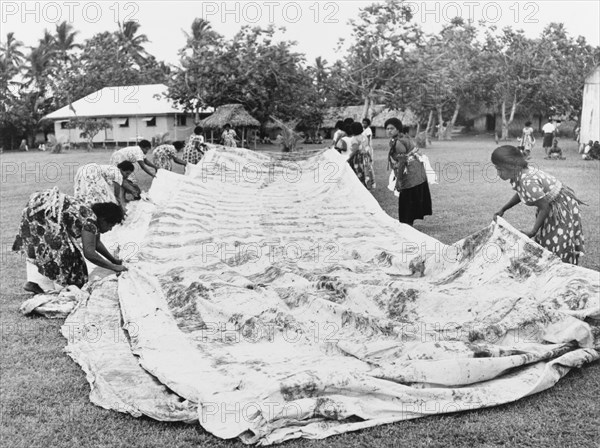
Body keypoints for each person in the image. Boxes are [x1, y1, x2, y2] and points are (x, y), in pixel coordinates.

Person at [13, 187, 127, 294]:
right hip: (41, 212)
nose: (110, 229)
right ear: (103, 220)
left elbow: (96, 244)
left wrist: (114, 261)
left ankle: (35, 282)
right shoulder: (90, 221)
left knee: (44, 247)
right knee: (64, 253)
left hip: (36, 206)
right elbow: (90, 253)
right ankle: (45, 284)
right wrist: (113, 267)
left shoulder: (92, 216)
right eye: (110, 225)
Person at [492, 145, 584, 265]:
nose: (498, 174)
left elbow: (544, 207)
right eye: (496, 169)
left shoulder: (527, 180)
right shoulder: (519, 174)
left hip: (562, 208)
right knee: (546, 238)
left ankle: (561, 269)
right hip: (550, 206)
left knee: (558, 242)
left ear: (512, 166)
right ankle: (550, 266)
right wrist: (504, 208)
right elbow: (521, 193)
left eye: (500, 169)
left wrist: (533, 231)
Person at [386, 117, 432, 226]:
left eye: (391, 128)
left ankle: (408, 223)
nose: (389, 131)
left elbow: (402, 163)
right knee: (411, 197)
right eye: (387, 129)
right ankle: (409, 222)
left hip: (410, 173)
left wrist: (399, 181)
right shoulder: (404, 137)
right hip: (417, 171)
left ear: (398, 129)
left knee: (407, 197)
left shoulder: (398, 142)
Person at [346, 122, 375, 189]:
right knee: (367, 171)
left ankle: (361, 187)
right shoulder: (364, 136)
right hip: (366, 157)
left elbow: (354, 151)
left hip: (359, 159)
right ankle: (368, 185)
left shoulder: (354, 139)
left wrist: (348, 158)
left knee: (359, 172)